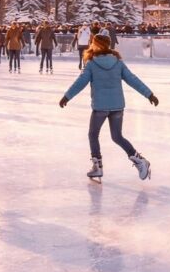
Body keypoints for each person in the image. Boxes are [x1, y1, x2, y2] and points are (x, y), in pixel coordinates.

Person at [60, 34, 158, 182]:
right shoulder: (117, 62)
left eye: (93, 43)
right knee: (117, 136)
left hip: (100, 107)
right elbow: (132, 79)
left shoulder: (91, 63)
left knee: (93, 135)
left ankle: (97, 166)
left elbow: (80, 83)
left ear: (98, 45)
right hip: (117, 106)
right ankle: (139, 160)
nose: (91, 45)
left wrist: (67, 96)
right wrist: (149, 94)